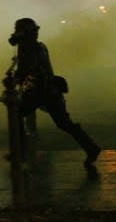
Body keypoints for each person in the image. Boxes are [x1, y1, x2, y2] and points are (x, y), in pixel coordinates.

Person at [9, 18, 101, 167]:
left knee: (17, 114)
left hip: (41, 91)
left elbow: (27, 69)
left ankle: (20, 153)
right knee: (64, 123)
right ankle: (91, 148)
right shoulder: (35, 47)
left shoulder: (31, 48)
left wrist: (15, 79)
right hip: (48, 90)